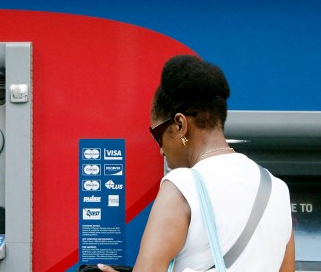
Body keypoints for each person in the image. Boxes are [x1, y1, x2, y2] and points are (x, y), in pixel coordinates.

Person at [99, 55, 294, 272]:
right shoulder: (277, 189)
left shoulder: (183, 186)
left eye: (157, 134)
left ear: (181, 125)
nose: (161, 149)